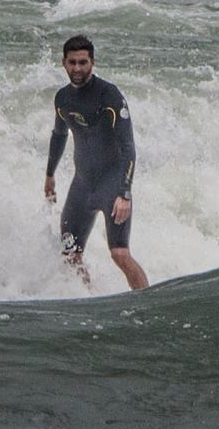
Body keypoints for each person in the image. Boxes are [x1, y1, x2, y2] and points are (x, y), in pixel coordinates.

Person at [42, 33, 149, 291]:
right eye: (72, 63)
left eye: (83, 62)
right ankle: (88, 298)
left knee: (120, 254)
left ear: (93, 62)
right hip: (82, 186)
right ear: (63, 63)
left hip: (112, 186)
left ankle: (146, 300)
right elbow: (59, 135)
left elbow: (127, 147)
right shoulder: (62, 99)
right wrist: (49, 175)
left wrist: (124, 193)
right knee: (70, 254)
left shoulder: (109, 95)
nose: (77, 68)